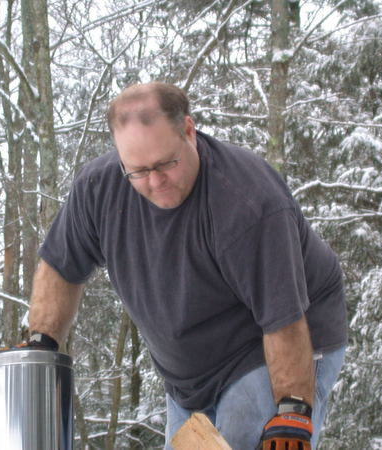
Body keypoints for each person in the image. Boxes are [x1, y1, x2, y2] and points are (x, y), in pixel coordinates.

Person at [28, 82, 347, 449]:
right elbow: (60, 267)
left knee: (242, 440)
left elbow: (283, 318)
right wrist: (41, 344)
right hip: (190, 375)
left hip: (275, 341)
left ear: (189, 131)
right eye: (138, 170)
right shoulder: (99, 189)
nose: (155, 181)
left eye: (165, 163)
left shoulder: (247, 202)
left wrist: (292, 410)